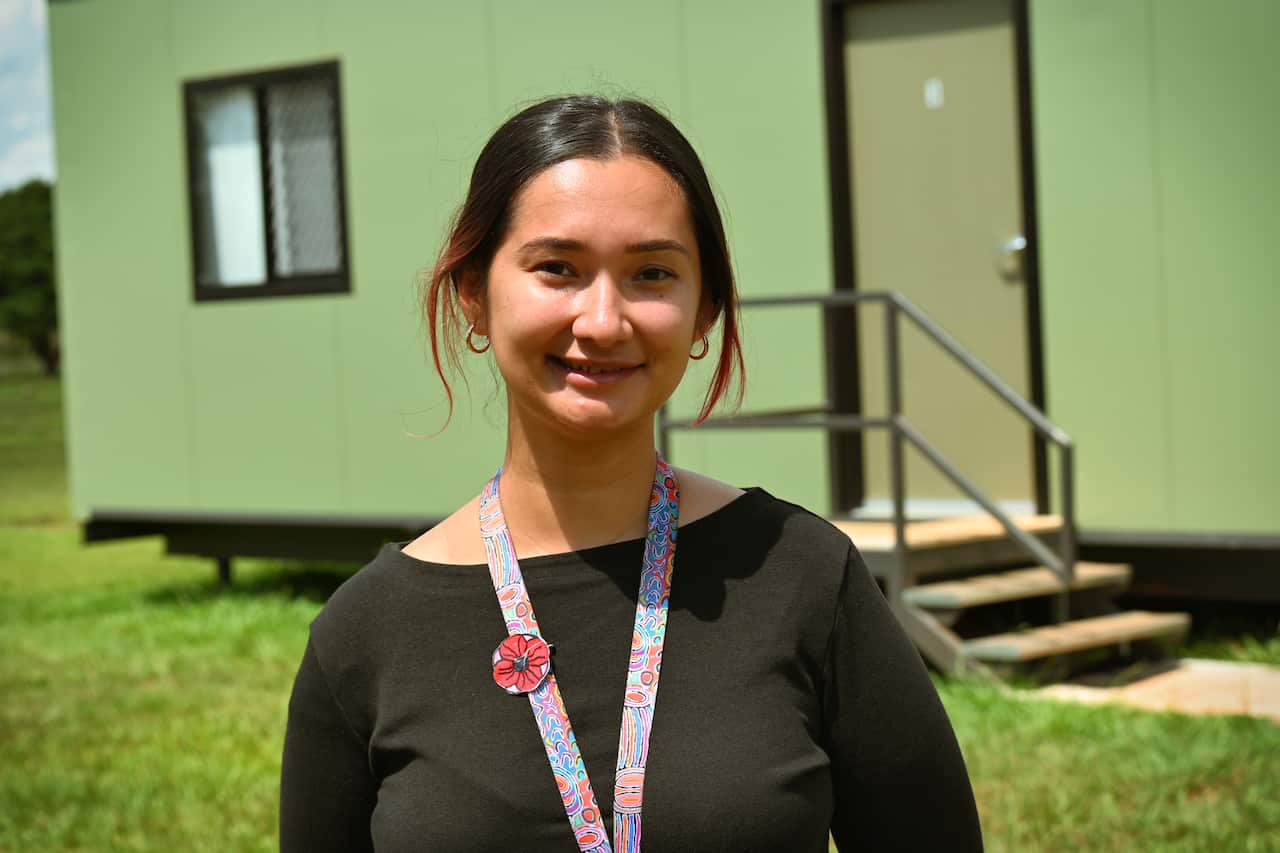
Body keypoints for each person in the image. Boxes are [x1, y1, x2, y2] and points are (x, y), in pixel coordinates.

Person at [279, 95, 982, 853]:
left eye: (652, 272)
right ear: (474, 295)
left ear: (705, 309)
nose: (603, 321)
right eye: (557, 268)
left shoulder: (803, 577)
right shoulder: (365, 634)